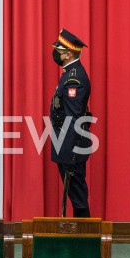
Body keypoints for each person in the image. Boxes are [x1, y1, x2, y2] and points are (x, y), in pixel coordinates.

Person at [49, 28, 93, 218]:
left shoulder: (75, 78)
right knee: (75, 192)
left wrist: (69, 152)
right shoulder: (69, 73)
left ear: (68, 53)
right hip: (65, 140)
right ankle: (80, 235)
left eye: (59, 51)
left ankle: (84, 236)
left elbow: (74, 118)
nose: (55, 53)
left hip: (70, 144)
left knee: (77, 194)